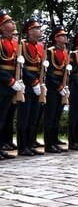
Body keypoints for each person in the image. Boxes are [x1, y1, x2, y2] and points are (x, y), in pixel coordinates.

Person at [17, 17, 45, 156]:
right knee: (25, 115)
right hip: (27, 84)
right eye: (37, 29)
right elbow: (22, 67)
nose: (40, 31)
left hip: (38, 83)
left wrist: (40, 82)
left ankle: (30, 144)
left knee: (34, 116)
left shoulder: (39, 46)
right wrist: (33, 82)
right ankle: (23, 147)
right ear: (30, 31)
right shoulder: (22, 44)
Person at [43, 26, 70, 154]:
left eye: (65, 35)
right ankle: (49, 144)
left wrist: (65, 86)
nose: (65, 37)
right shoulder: (50, 51)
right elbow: (49, 72)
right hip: (53, 87)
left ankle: (54, 141)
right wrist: (58, 86)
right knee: (50, 115)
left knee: (57, 116)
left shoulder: (66, 52)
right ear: (56, 38)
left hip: (62, 86)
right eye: (62, 36)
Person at [0, 10, 23, 159]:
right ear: (1, 27)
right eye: (8, 22)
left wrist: (18, 79)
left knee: (3, 118)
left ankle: (1, 146)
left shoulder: (14, 44)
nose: (12, 23)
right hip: (3, 83)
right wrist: (10, 80)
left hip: (10, 85)